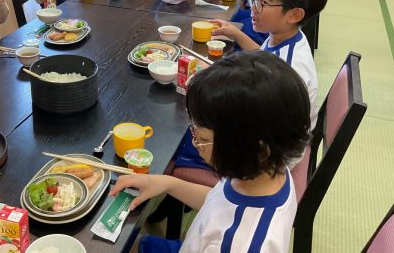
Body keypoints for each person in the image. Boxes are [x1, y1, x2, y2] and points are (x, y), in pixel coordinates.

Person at [110, 51, 311, 253]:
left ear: (257, 148)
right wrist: (168, 183)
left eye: (204, 139)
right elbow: (219, 200)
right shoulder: (268, 168)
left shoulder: (236, 245)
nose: (195, 143)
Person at [213, 0, 330, 129]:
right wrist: (236, 34)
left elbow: (269, 123)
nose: (253, 7)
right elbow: (265, 55)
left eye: (263, 2)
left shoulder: (290, 68)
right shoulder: (287, 35)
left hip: (276, 140)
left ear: (294, 15)